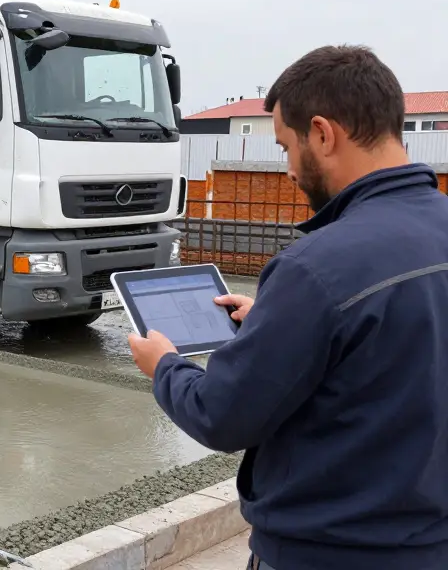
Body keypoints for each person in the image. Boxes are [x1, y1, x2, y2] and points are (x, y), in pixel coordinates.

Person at [129, 45, 448, 570]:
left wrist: (164, 364)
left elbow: (221, 415)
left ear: (322, 134)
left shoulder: (317, 268)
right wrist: (277, 321)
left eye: (284, 147)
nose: (290, 169)